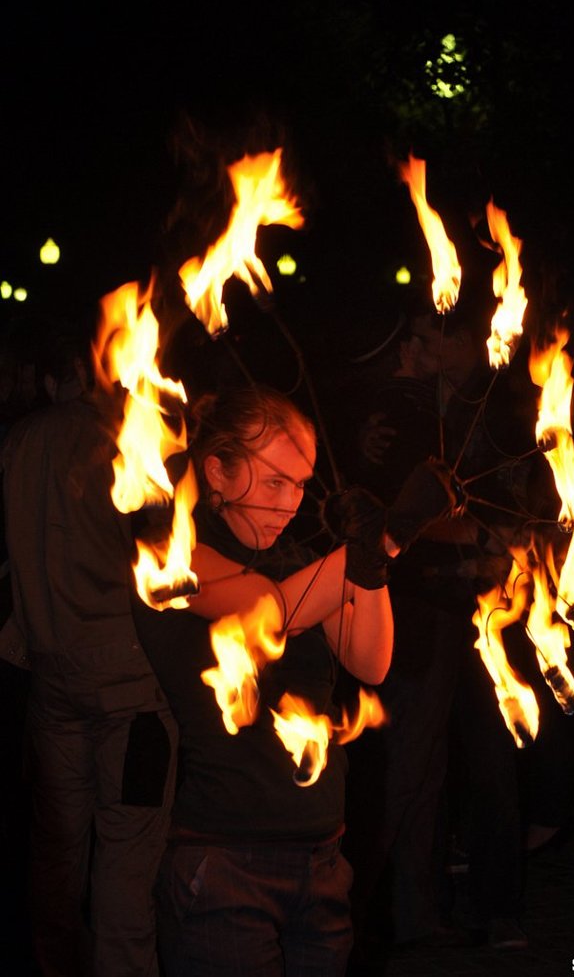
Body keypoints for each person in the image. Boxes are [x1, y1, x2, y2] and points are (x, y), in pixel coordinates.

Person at [129, 384, 406, 977]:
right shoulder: (176, 557)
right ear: (218, 473)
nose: (290, 504)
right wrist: (385, 536)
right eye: (274, 481)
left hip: (322, 858)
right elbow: (268, 611)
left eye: (302, 486)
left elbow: (371, 661)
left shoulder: (297, 557)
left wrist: (372, 560)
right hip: (226, 864)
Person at [339, 300, 535, 962]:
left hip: (493, 610)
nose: (414, 343)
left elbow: (529, 505)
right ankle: (391, 911)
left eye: (427, 333)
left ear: (467, 339)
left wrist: (496, 540)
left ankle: (493, 906)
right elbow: (388, 511)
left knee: (490, 761)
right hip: (420, 605)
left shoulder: (510, 411)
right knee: (411, 765)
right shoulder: (402, 411)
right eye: (413, 332)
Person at [0, 328, 178, 977]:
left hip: (49, 681)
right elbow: (168, 570)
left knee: (57, 856)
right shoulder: (132, 446)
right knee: (127, 863)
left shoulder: (18, 442)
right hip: (128, 692)